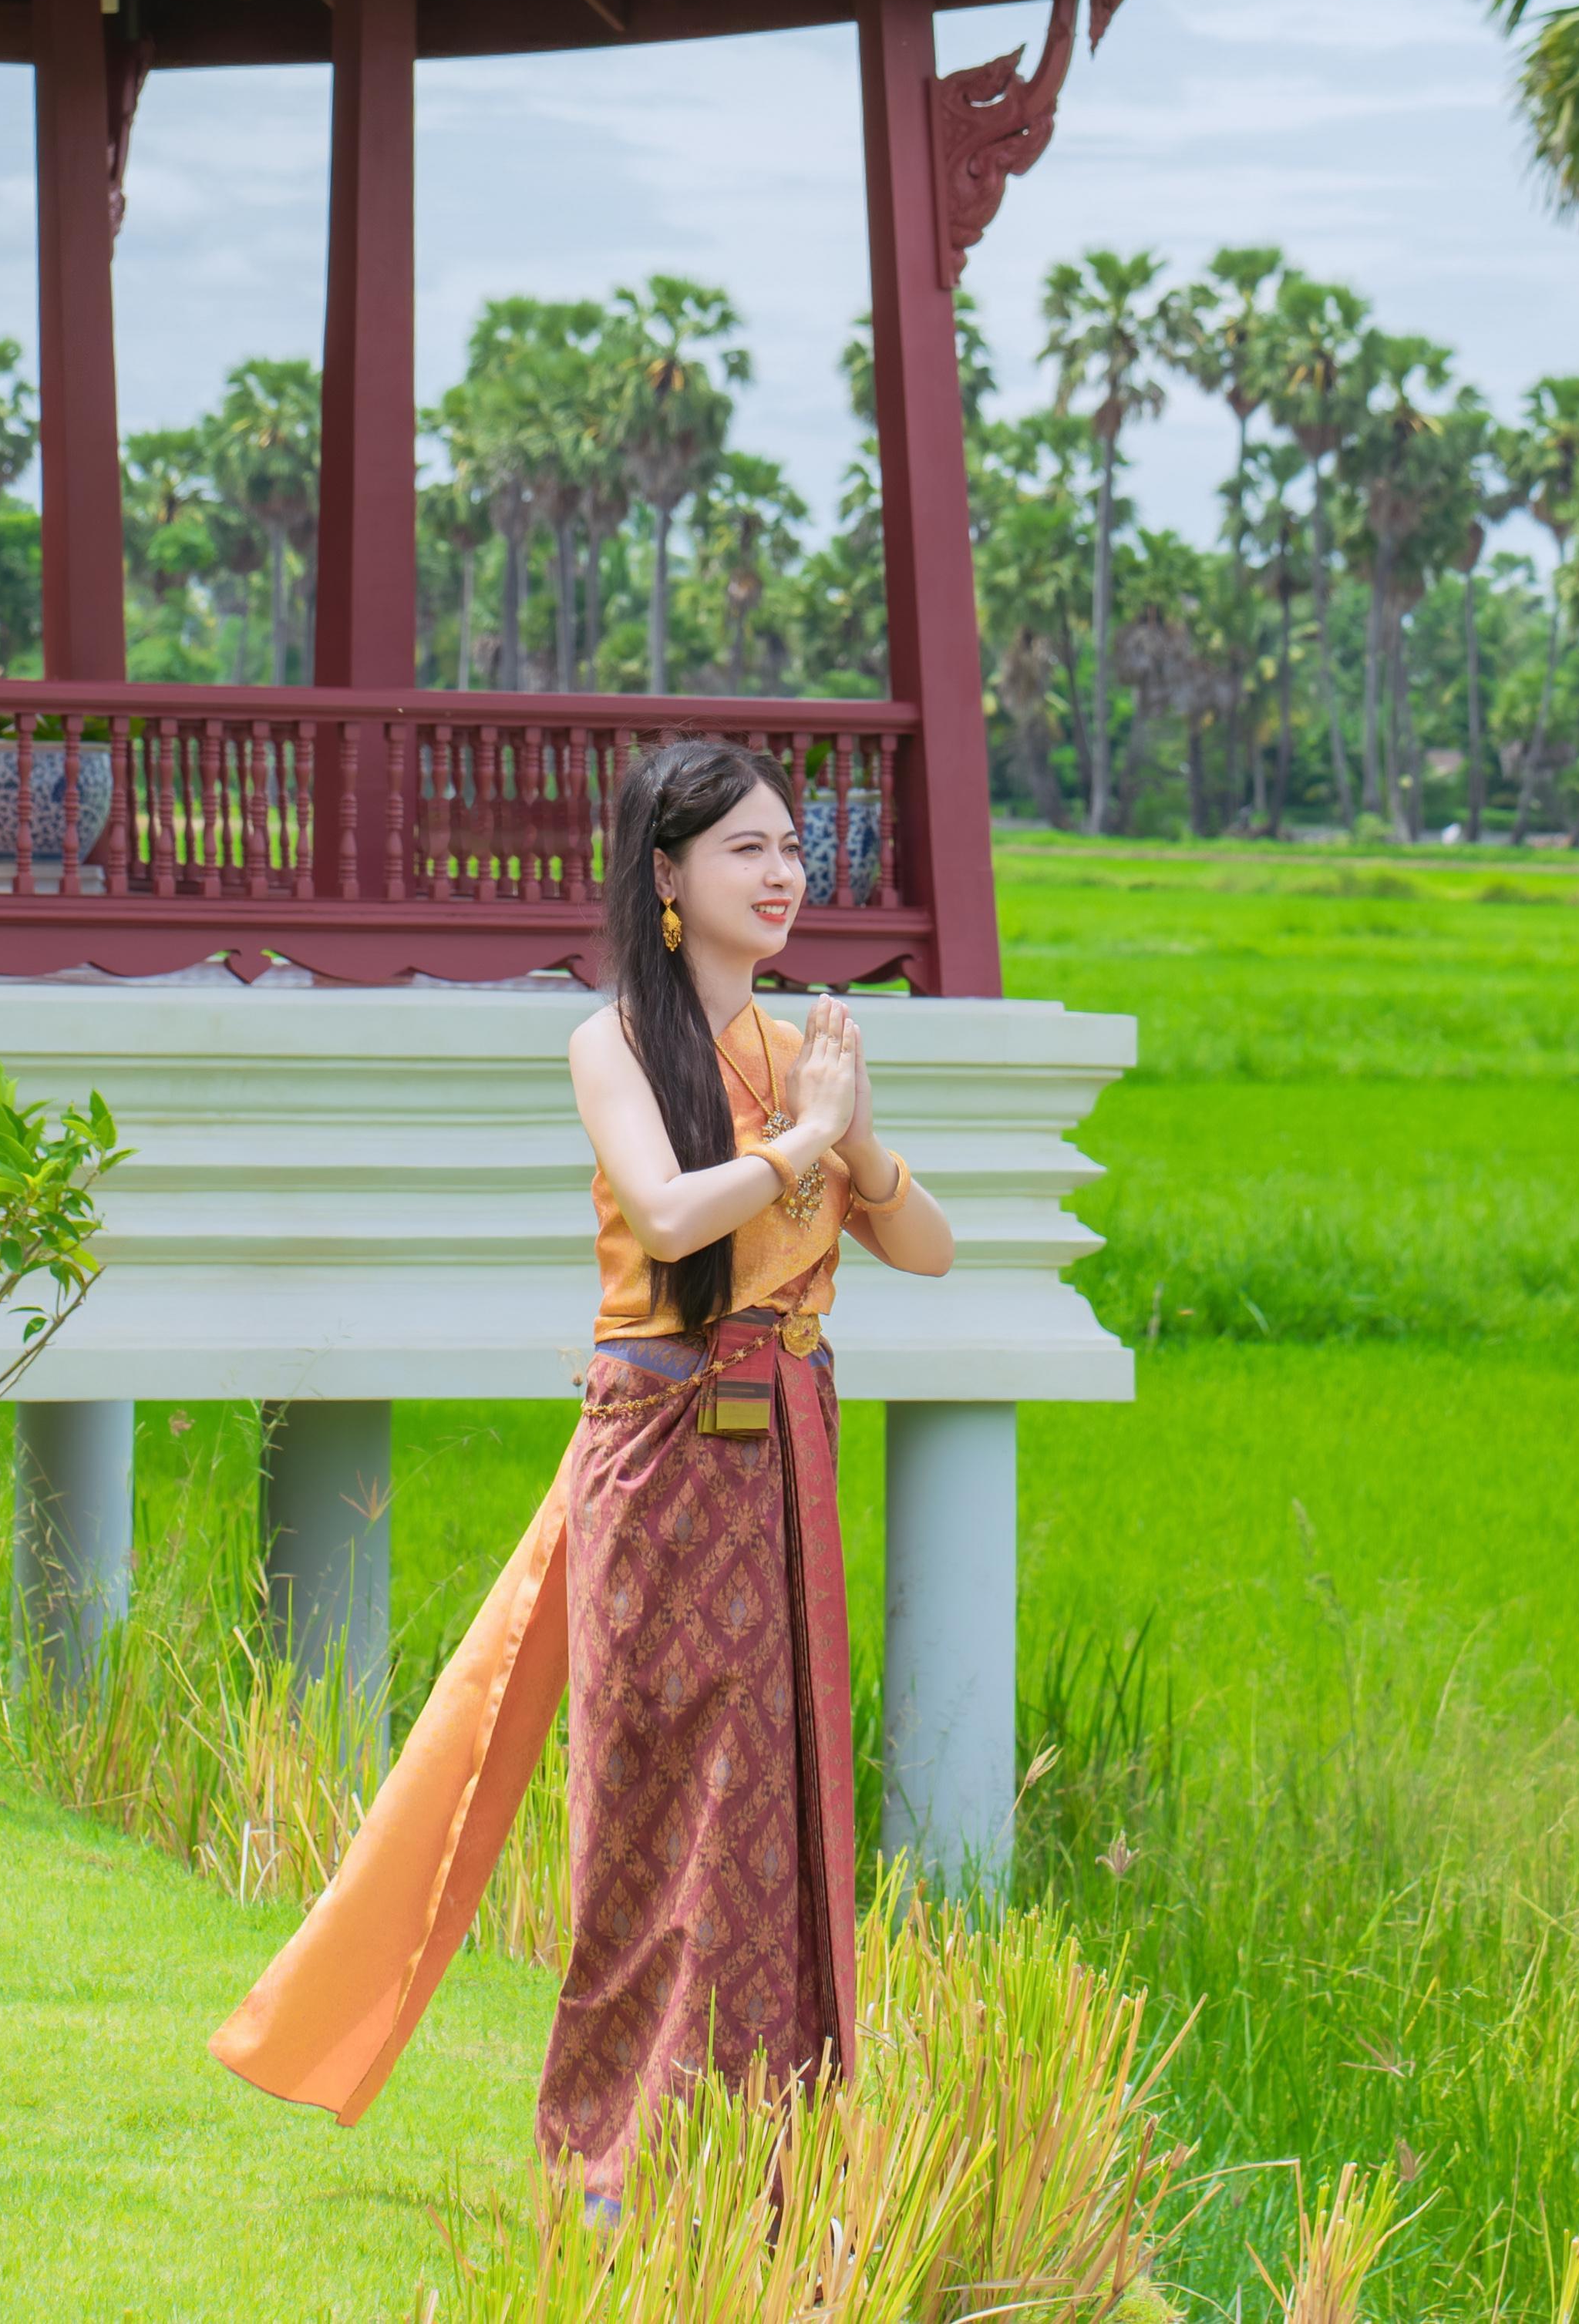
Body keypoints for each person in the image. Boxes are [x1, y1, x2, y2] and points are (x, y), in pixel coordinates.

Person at [213, 735, 957, 2198]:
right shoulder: (614, 1040)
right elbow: (671, 1218)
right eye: (747, 847)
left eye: (793, 845)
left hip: (785, 1454)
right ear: (667, 875)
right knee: (647, 1806)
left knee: (774, 1815)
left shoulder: (804, 1055)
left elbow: (928, 1246)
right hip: (663, 1454)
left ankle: (761, 2164)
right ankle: (610, 2159)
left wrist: (850, 1138)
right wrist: (803, 1140)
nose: (784, 871)